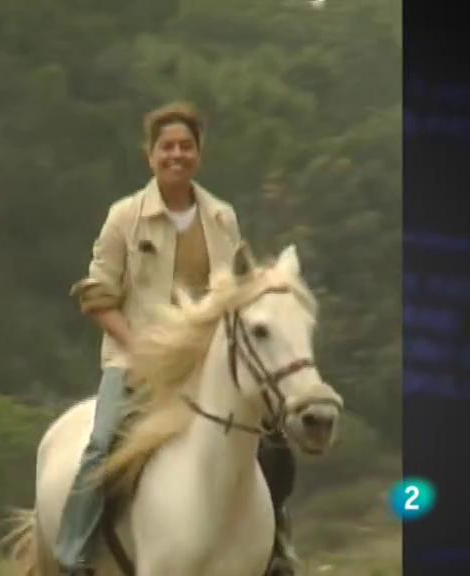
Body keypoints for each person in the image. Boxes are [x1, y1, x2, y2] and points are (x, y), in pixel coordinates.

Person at [59, 101, 299, 576]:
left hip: (206, 366)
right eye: (166, 147)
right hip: (134, 364)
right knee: (102, 443)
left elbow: (235, 292)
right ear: (150, 155)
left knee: (272, 444)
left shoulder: (222, 218)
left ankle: (277, 551)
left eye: (186, 146)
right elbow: (98, 296)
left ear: (199, 154)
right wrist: (139, 350)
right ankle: (74, 555)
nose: (176, 155)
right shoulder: (125, 217)